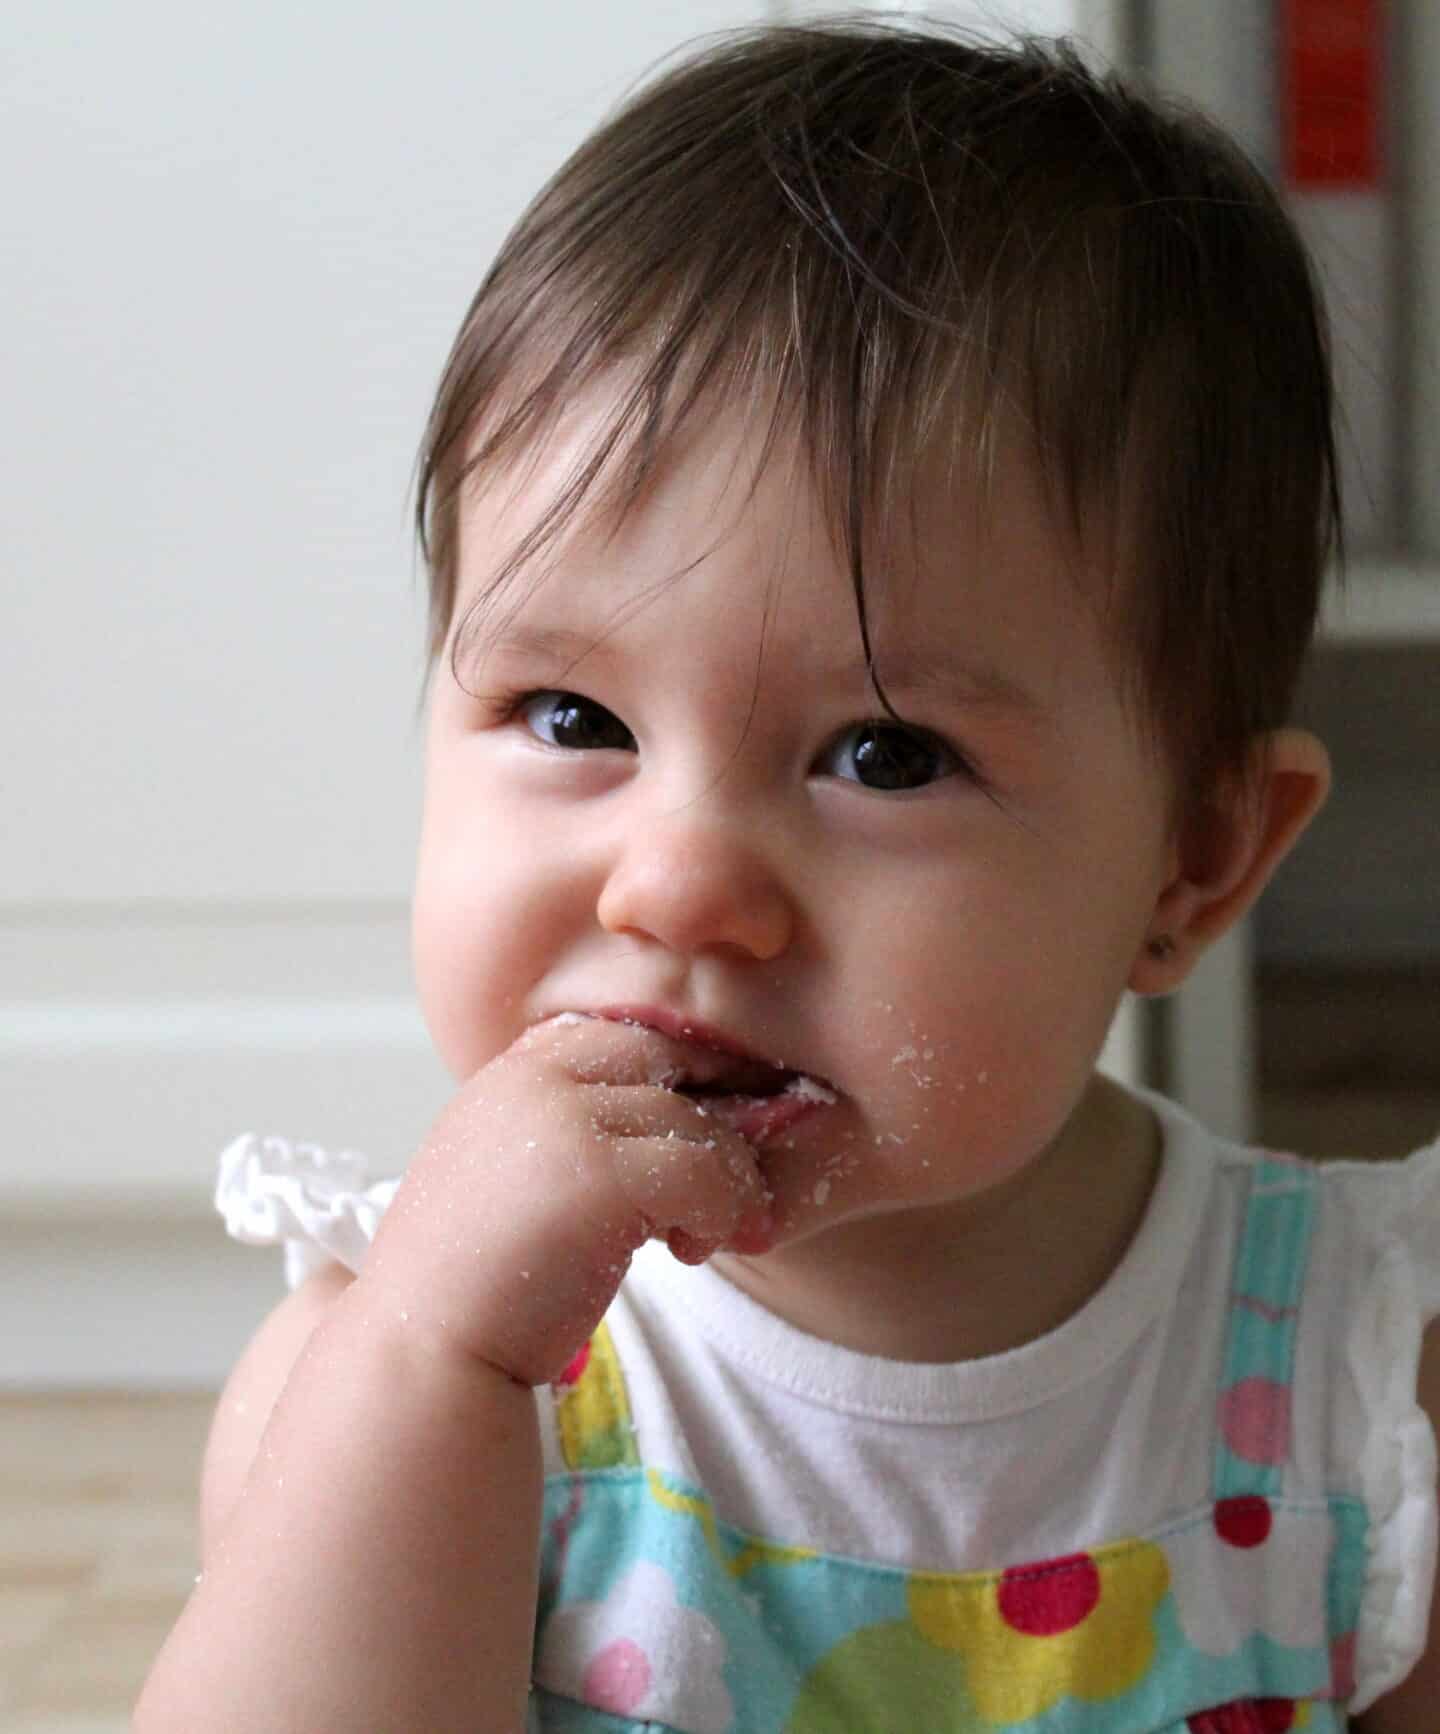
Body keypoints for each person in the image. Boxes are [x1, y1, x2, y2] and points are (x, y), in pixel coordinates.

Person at [135, 19, 1439, 1732]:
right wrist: (435, 1369)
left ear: (1191, 866)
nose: (672, 886)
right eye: (573, 713)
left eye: (883, 753)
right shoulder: (384, 1375)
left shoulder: (1347, 1385)